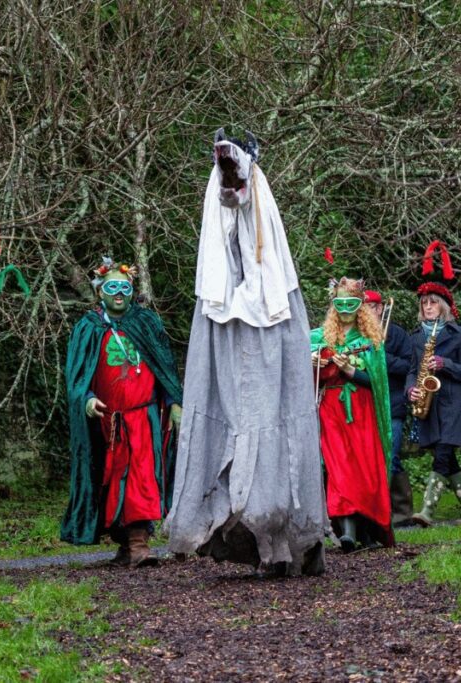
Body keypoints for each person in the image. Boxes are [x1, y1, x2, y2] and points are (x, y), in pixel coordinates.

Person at [165, 129, 328, 577]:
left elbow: (262, 257)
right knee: (232, 427)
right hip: (226, 318)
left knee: (277, 428)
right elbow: (226, 208)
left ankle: (292, 543)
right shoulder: (215, 263)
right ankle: (245, 540)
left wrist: (239, 173)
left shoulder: (273, 259)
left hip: (268, 319)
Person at [61, 259, 184, 568]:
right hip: (107, 421)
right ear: (100, 290)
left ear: (132, 291)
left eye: (124, 288)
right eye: (112, 287)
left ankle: (139, 542)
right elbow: (77, 376)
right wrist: (87, 399)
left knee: (141, 477)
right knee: (110, 479)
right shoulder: (88, 328)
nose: (118, 294)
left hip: (143, 418)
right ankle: (125, 542)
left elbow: (164, 366)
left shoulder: (146, 323)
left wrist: (173, 401)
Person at [311, 278, 394, 552]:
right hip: (331, 409)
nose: (345, 309)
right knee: (339, 467)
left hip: (362, 408)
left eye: (352, 304)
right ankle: (346, 531)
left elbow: (378, 383)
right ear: (333, 305)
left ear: (361, 307)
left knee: (365, 469)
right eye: (340, 303)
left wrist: (350, 372)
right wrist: (312, 363)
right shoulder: (317, 338)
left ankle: (367, 531)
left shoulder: (371, 341)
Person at [406, 281, 461, 526]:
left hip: (450, 404)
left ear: (444, 306)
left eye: (433, 302)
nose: (428, 307)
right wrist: (411, 389)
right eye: (424, 303)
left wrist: (445, 364)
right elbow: (412, 370)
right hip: (428, 406)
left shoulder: (460, 334)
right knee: (446, 457)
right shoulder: (416, 336)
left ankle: (427, 510)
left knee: (444, 454)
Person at [364, 290, 416, 526]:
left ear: (381, 308)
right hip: (366, 404)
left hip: (393, 403)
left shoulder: (396, 334)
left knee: (391, 456)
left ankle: (402, 514)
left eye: (373, 306)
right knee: (368, 459)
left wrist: (382, 357)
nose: (369, 311)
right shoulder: (356, 334)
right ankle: (374, 511)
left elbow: (409, 366)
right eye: (364, 307)